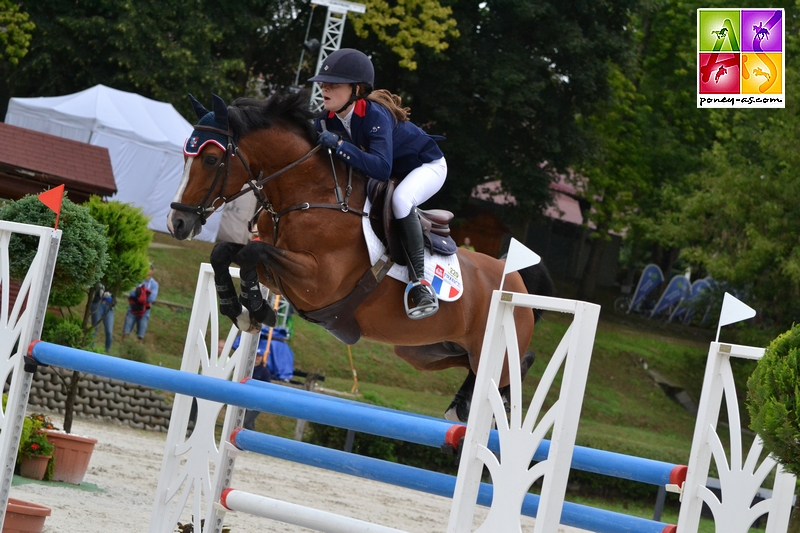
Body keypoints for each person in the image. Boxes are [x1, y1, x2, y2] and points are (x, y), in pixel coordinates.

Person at [308, 48, 447, 320]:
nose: (324, 89)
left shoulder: (374, 115)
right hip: (394, 171)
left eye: (333, 85)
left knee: (401, 200)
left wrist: (338, 145)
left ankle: (420, 283)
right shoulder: (327, 118)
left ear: (356, 90)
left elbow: (382, 169)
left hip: (426, 167)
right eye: (323, 84)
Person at [233, 325, 295, 430]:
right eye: (256, 356)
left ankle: (249, 440)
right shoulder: (247, 368)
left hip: (256, 400)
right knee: (243, 421)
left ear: (262, 358)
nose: (257, 359)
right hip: (246, 397)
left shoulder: (265, 371)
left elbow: (266, 386)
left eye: (259, 357)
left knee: (248, 421)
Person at [122, 263, 159, 342]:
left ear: (152, 271)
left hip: (145, 311)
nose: (147, 270)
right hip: (133, 309)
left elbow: (152, 298)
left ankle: (137, 350)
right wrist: (145, 294)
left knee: (140, 336)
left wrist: (139, 292)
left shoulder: (154, 284)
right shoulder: (137, 280)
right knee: (126, 332)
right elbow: (131, 292)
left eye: (149, 269)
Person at [91, 284, 115, 353]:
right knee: (95, 327)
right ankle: (90, 349)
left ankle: (107, 351)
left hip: (109, 307)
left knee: (109, 331)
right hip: (99, 303)